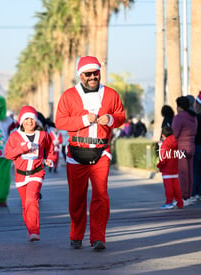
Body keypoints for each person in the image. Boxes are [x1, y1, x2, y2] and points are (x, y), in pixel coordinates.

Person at [55, 56, 126, 251]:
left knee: (101, 195)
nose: (93, 77)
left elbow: (121, 116)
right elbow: (60, 121)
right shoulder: (69, 95)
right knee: (76, 197)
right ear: (81, 75)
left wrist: (111, 118)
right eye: (88, 74)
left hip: (101, 151)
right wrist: (84, 119)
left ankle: (98, 237)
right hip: (76, 152)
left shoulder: (111, 94)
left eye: (96, 73)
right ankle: (76, 235)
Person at [5, 105, 56, 242]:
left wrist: (50, 159)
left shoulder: (43, 135)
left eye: (32, 119)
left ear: (36, 121)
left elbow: (51, 147)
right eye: (26, 119)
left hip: (37, 173)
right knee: (25, 205)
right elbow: (8, 154)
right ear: (21, 121)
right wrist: (23, 148)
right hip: (21, 175)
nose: (29, 121)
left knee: (31, 200)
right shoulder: (15, 136)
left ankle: (34, 231)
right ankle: (30, 229)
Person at [172, 96, 197, 206]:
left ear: (179, 106)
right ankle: (189, 195)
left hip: (181, 147)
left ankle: (183, 196)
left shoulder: (179, 117)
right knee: (190, 173)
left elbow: (175, 134)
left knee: (182, 173)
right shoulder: (193, 117)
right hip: (192, 145)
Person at [156, 126, 183, 209]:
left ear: (163, 135)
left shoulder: (165, 144)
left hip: (167, 170)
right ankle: (180, 203)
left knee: (168, 188)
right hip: (175, 168)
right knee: (176, 188)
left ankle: (169, 203)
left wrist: (159, 166)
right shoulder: (178, 141)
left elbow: (163, 158)